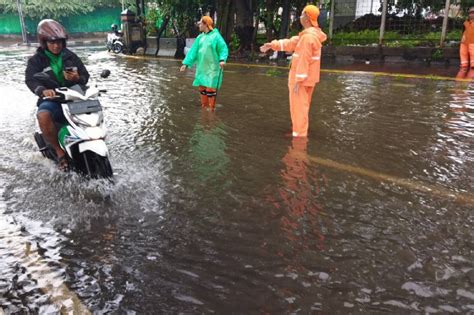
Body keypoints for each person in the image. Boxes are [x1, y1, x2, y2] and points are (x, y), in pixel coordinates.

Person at [25, 19, 90, 170]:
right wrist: (42, 90)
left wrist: (78, 78)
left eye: (59, 42)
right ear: (44, 42)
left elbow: (86, 76)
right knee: (43, 114)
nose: (56, 45)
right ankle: (59, 152)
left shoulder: (71, 56)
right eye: (52, 42)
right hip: (53, 100)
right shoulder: (36, 60)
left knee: (94, 111)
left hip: (74, 97)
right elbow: (30, 80)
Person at [260, 5, 327, 137]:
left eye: (302, 14)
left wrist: (299, 80)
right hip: (308, 79)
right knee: (302, 106)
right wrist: (272, 45)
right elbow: (291, 43)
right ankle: (299, 130)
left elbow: (304, 59)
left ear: (307, 18)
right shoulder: (310, 35)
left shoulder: (308, 37)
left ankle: (299, 139)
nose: (300, 17)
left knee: (298, 108)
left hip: (301, 81)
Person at [180, 16, 228, 111]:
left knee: (210, 89)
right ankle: (204, 107)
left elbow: (223, 48)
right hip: (202, 67)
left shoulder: (216, 36)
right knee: (202, 87)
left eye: (200, 23)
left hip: (213, 68)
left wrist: (222, 60)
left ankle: (211, 110)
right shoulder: (200, 37)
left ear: (206, 24)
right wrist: (185, 64)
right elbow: (193, 51)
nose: (199, 25)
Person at [457, 7, 474, 79]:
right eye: (471, 12)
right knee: (463, 66)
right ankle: (458, 86)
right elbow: (463, 33)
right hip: (464, 44)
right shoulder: (465, 23)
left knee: (473, 67)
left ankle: (466, 85)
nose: (472, 14)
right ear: (468, 14)